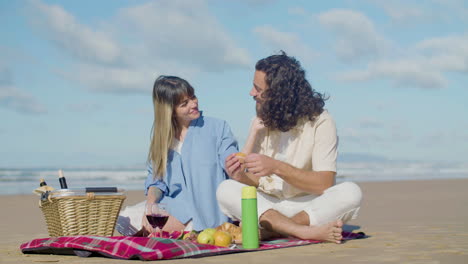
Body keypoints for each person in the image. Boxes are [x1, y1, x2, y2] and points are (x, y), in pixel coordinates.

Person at [216, 52, 362, 244]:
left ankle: (278, 230)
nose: (251, 93)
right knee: (226, 188)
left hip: (306, 207)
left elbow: (324, 183)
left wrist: (276, 167)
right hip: (268, 207)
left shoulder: (321, 121)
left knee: (351, 193)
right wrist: (239, 176)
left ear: (279, 94)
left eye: (258, 89)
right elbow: (256, 182)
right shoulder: (262, 120)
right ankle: (301, 232)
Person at [117, 75, 238, 236]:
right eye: (184, 103)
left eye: (193, 97)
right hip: (172, 207)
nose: (194, 103)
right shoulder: (161, 139)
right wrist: (150, 206)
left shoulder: (218, 128)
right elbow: (156, 182)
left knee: (141, 228)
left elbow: (234, 167)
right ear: (170, 111)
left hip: (206, 215)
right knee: (122, 218)